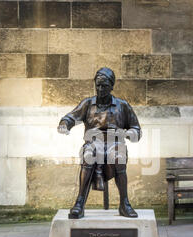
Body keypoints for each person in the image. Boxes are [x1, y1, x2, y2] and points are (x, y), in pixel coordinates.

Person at [57, 67, 141, 219]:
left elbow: (136, 129)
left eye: (104, 86)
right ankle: (79, 203)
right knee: (88, 154)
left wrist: (129, 133)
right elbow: (71, 117)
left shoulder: (122, 106)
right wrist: (64, 124)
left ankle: (124, 203)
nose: (100, 89)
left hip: (115, 143)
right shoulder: (88, 104)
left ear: (112, 86)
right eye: (98, 85)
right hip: (93, 142)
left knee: (118, 157)